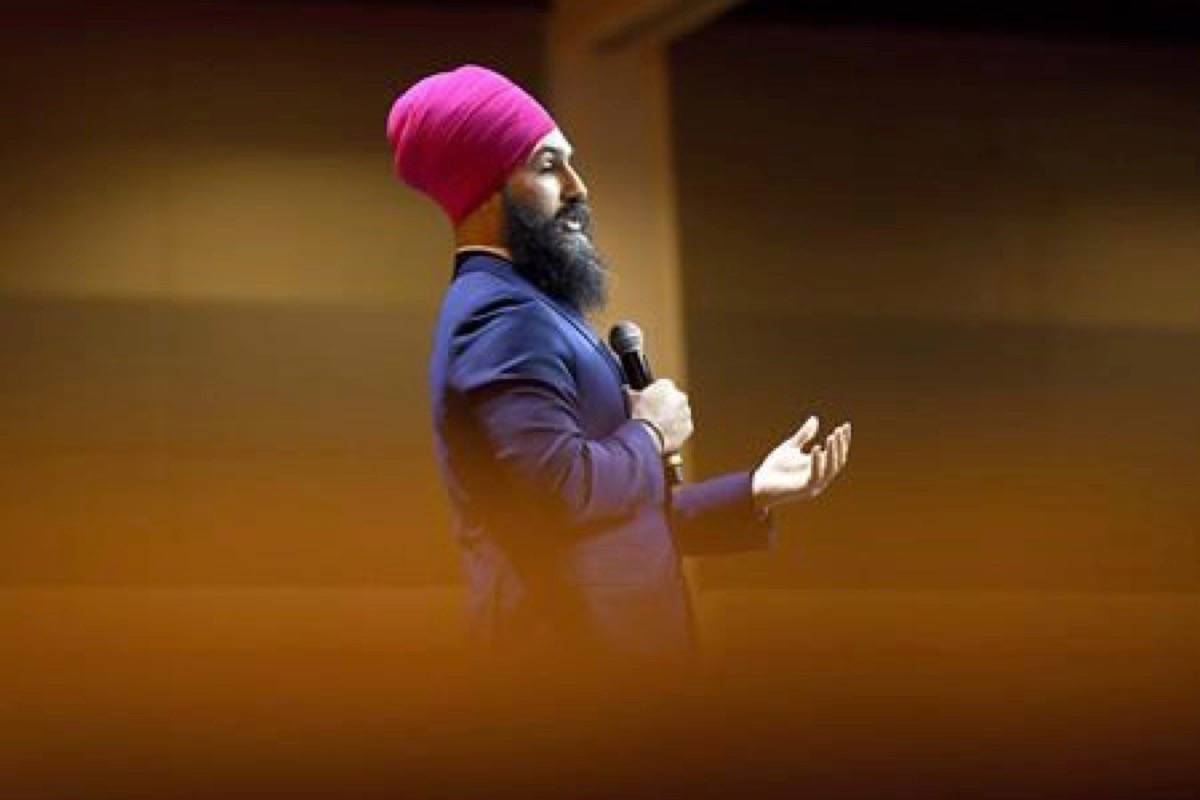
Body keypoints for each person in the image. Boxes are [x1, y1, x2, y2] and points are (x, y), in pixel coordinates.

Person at [387, 64, 851, 658]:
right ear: (484, 188)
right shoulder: (501, 318)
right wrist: (651, 431)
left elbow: (613, 515)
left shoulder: (533, 308)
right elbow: (560, 492)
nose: (578, 187)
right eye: (548, 165)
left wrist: (754, 490)